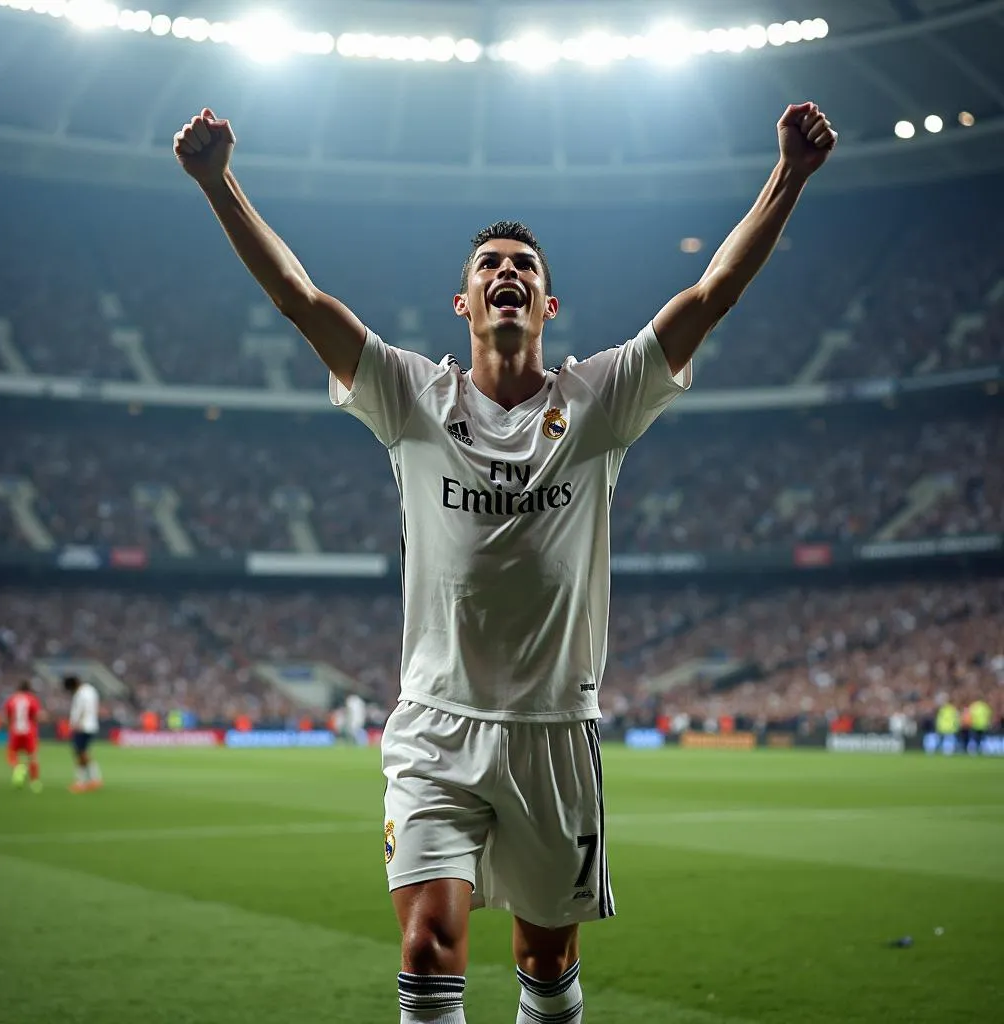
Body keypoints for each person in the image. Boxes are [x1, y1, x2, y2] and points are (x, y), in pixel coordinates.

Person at [175, 100, 837, 1024]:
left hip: (554, 729)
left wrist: (789, 177)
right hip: (436, 727)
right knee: (427, 947)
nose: (507, 273)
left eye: (524, 266)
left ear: (548, 303)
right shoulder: (410, 396)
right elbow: (301, 300)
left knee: (545, 959)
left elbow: (710, 297)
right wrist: (218, 184)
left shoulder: (600, 401)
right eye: (489, 266)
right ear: (466, 302)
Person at [63, 675, 102, 793]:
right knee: (83, 753)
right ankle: (94, 779)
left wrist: (75, 723)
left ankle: (81, 782)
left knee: (79, 753)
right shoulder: (91, 690)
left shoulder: (80, 694)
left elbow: (80, 709)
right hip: (91, 725)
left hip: (83, 726)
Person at [3, 679, 43, 793]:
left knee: (11, 754)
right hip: (29, 731)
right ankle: (35, 783)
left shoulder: (12, 699)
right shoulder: (32, 699)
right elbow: (37, 716)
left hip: (15, 731)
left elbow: (7, 717)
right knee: (33, 756)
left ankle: (17, 767)